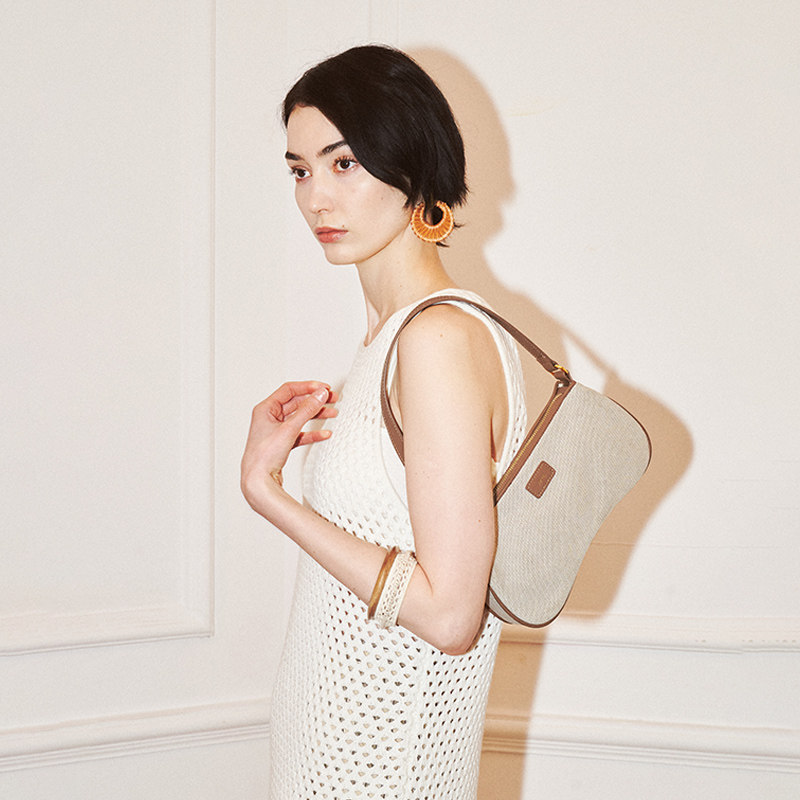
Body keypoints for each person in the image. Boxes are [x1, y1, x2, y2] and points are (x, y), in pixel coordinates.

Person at [241, 44, 527, 800]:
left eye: (344, 164)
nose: (316, 199)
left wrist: (268, 493)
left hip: (384, 774)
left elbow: (451, 615)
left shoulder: (437, 339)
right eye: (300, 171)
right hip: (326, 758)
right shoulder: (388, 339)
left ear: (412, 165)